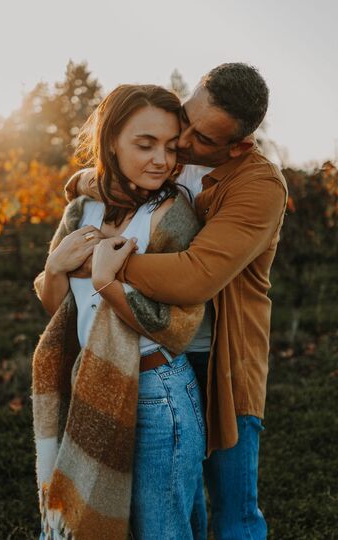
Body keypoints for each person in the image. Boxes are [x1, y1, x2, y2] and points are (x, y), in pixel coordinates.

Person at [66, 63, 288, 540]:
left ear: (239, 145)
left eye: (201, 137)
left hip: (224, 361)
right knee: (178, 503)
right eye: (185, 117)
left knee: (234, 513)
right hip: (161, 347)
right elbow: (102, 175)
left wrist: (100, 263)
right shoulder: (176, 149)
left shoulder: (258, 185)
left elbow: (195, 278)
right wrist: (85, 182)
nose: (182, 140)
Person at [32, 84, 207, 540]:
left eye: (171, 147)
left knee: (161, 532)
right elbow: (60, 312)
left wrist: (111, 286)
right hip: (93, 381)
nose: (161, 160)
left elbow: (178, 326)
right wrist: (55, 267)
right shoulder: (80, 210)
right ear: (111, 141)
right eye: (144, 144)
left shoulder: (172, 216)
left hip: (158, 391)